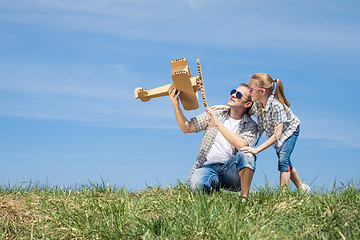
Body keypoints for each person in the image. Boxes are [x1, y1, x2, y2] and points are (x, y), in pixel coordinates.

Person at [168, 84, 258, 199]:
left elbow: (242, 145)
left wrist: (218, 125)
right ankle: (212, 190)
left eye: (239, 95)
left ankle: (244, 198)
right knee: (196, 184)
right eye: (233, 91)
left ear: (247, 104)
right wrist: (176, 105)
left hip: (231, 171)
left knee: (247, 154)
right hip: (208, 168)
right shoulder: (215, 113)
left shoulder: (250, 125)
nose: (233, 95)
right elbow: (187, 127)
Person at [240, 73, 310, 192]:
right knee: (285, 161)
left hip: (290, 131)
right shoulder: (257, 104)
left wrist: (256, 150)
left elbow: (277, 135)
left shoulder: (277, 106)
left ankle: (283, 195)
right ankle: (302, 187)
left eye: (251, 89)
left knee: (283, 159)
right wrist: (223, 108)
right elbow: (243, 110)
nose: (249, 92)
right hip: (277, 135)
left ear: (262, 91)